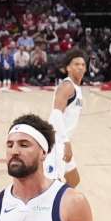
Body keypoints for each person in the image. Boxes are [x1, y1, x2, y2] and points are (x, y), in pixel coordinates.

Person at [48, 49, 87, 187]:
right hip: (56, 143)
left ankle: (60, 205)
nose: (81, 67)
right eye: (76, 64)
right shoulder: (67, 86)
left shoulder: (77, 88)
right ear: (68, 68)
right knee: (52, 186)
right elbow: (56, 114)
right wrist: (66, 142)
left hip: (62, 141)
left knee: (73, 180)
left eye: (83, 64)